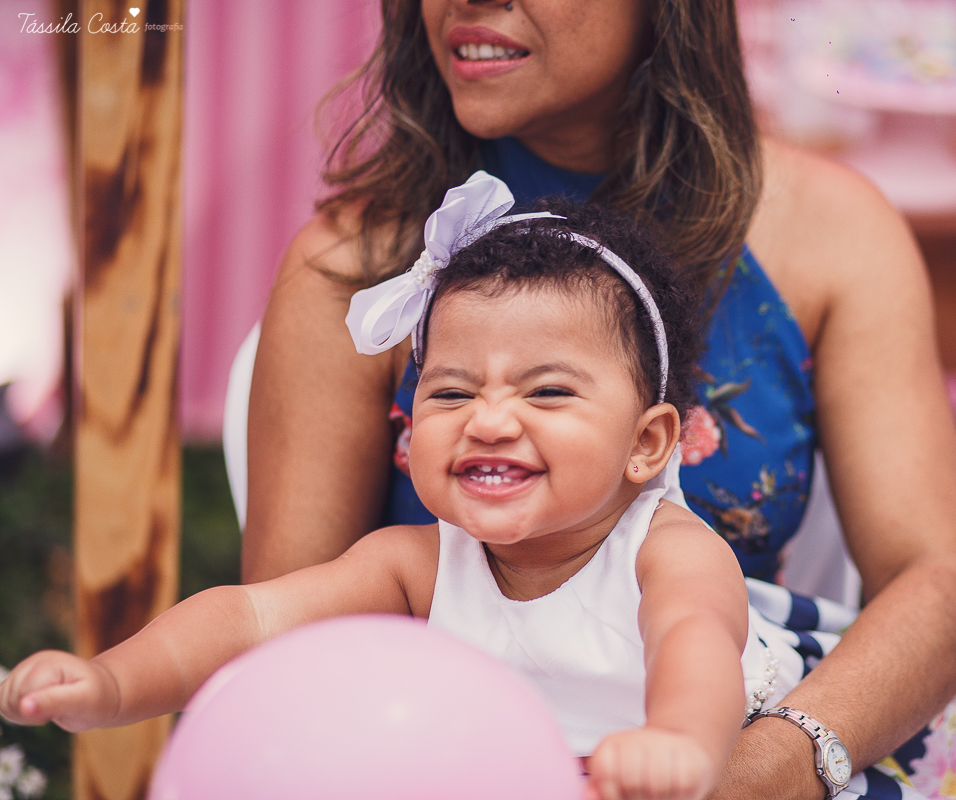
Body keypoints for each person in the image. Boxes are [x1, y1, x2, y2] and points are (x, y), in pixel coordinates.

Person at [245, 1, 956, 797]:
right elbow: (285, 656)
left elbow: (940, 584)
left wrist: (760, 771)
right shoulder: (354, 267)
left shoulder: (833, 233)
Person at [2, 183, 827, 800]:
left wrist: (679, 743)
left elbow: (694, 648)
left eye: (545, 394)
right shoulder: (416, 564)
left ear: (647, 443)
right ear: (409, 429)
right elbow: (252, 619)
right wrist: (113, 683)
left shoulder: (670, 555)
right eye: (452, 394)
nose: (490, 421)